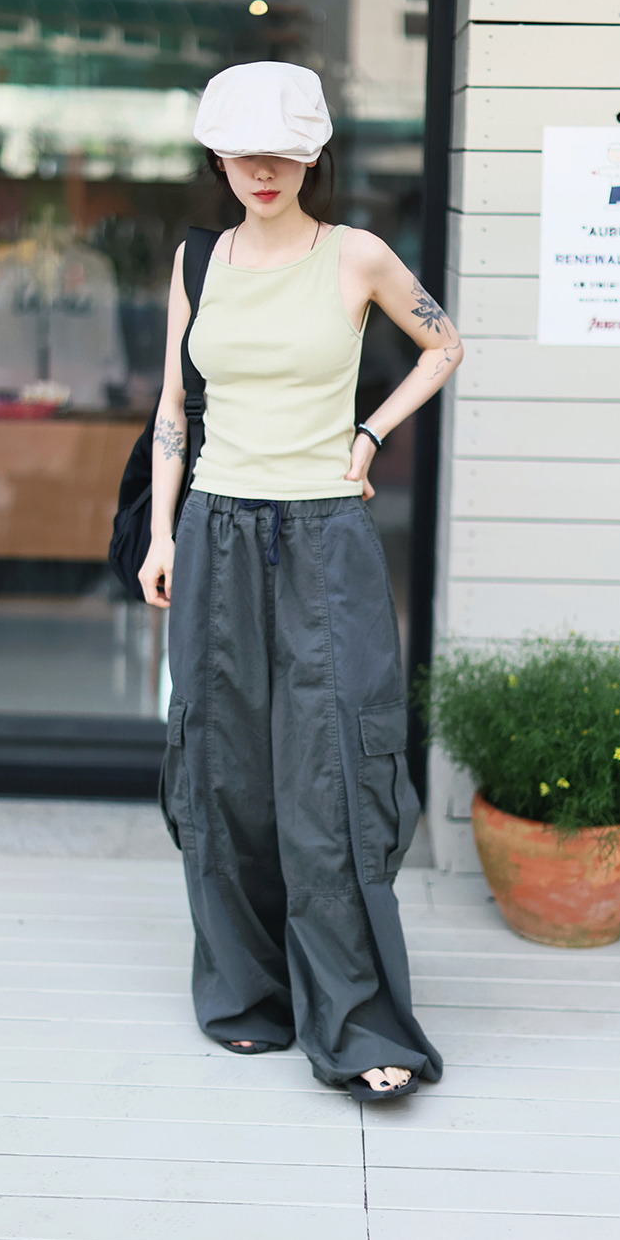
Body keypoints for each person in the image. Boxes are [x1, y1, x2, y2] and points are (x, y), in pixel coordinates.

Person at [138, 61, 463, 1102]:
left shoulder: (355, 254)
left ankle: (356, 1019)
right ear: (219, 158)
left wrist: (370, 433)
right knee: (222, 768)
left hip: (325, 537)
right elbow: (174, 406)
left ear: (313, 154)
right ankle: (249, 994)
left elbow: (444, 345)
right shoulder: (199, 259)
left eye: (282, 151)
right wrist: (161, 534)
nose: (264, 170)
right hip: (215, 530)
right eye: (244, 153)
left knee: (331, 773)